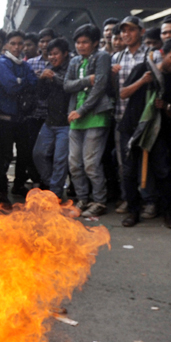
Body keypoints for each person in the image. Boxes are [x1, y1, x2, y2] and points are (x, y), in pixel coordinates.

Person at [118, 38, 171, 229]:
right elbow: (123, 93)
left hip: (157, 132)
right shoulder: (142, 69)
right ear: (163, 54)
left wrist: (166, 106)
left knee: (163, 171)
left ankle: (167, 212)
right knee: (130, 171)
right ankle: (133, 211)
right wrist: (142, 81)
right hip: (131, 128)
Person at [65, 24, 113, 218]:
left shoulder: (102, 57)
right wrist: (86, 81)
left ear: (95, 43)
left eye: (85, 42)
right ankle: (83, 198)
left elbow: (100, 86)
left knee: (91, 163)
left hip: (96, 116)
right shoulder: (75, 60)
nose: (80, 46)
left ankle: (99, 201)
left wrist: (82, 111)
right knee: (74, 163)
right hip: (76, 117)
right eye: (78, 42)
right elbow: (67, 85)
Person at [0, 30, 38, 201]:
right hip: (5, 117)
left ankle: (18, 186)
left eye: (20, 44)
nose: (17, 47)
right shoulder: (2, 63)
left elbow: (34, 83)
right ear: (6, 46)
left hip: (21, 117)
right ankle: (1, 190)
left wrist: (19, 81)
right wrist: (22, 81)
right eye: (13, 44)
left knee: (24, 153)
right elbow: (10, 86)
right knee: (5, 155)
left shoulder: (24, 65)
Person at [111, 16, 148, 214]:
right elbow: (111, 90)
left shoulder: (151, 55)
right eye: (123, 31)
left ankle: (148, 200)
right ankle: (129, 199)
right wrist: (111, 75)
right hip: (121, 117)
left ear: (142, 32)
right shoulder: (116, 58)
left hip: (145, 119)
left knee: (147, 161)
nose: (126, 34)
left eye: (131, 30)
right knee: (125, 164)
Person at [32, 38, 73, 199]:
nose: (52, 57)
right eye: (50, 54)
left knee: (60, 160)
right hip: (49, 121)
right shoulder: (48, 68)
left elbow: (70, 87)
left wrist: (53, 77)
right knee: (38, 154)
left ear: (65, 53)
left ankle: (55, 194)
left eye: (56, 54)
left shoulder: (72, 67)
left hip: (66, 123)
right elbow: (41, 96)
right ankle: (52, 185)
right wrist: (42, 79)